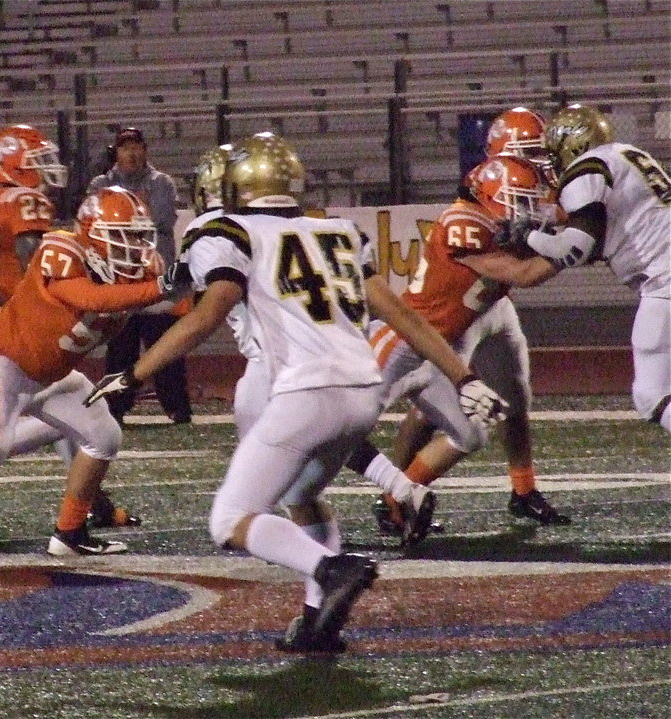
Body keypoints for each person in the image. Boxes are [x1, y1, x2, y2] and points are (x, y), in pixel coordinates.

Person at [86, 132, 507, 652]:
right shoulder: (337, 231)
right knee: (303, 495)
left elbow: (207, 315)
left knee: (229, 520)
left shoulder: (227, 230)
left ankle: (330, 569)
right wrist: (463, 377)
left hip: (303, 390)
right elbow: (402, 316)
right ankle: (316, 620)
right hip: (361, 390)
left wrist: (134, 372)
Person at [0, 186, 192, 568]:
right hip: (3, 360)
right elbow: (89, 299)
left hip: (53, 374)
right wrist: (160, 287)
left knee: (104, 436)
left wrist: (210, 281)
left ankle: (70, 533)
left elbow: (180, 307)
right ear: (92, 234)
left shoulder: (145, 270)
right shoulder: (60, 248)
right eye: (123, 236)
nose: (135, 246)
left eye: (139, 236)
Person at [187, 143, 439, 548]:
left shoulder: (216, 232)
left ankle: (317, 564)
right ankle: (401, 490)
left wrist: (137, 370)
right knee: (315, 459)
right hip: (337, 362)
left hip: (270, 364)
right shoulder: (311, 226)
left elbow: (199, 307)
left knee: (258, 504)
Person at [374, 139, 571, 534]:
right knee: (338, 427)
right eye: (520, 200)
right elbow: (521, 273)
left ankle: (396, 501)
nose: (528, 209)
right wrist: (572, 249)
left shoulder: (495, 217)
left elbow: (557, 214)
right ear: (494, 198)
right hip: (401, 344)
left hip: (439, 352)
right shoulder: (464, 223)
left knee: (470, 433)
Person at [0, 124, 139, 527]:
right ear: (11, 166)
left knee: (63, 409)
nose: (45, 170)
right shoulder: (25, 200)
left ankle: (92, 503)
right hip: (11, 318)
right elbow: (34, 263)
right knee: (73, 407)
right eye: (36, 163)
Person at [460, 102, 670, 434]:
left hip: (664, 282)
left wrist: (527, 235)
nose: (550, 161)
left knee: (651, 395)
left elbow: (573, 250)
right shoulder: (625, 153)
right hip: (663, 274)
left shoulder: (585, 169)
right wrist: (543, 219)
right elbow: (598, 225)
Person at [88, 127, 192, 425]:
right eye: (124, 148)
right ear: (115, 152)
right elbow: (93, 222)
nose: (131, 153)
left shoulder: (162, 182)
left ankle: (177, 408)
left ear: (145, 150)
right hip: (119, 281)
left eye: (136, 147)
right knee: (120, 352)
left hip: (156, 278)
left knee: (166, 350)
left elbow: (158, 219)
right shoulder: (100, 182)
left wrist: (118, 214)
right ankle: (115, 410)